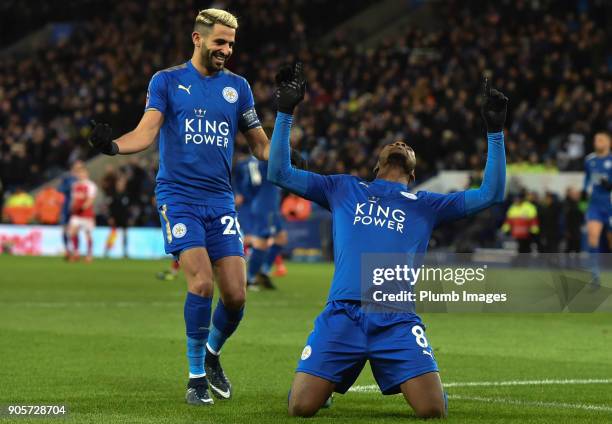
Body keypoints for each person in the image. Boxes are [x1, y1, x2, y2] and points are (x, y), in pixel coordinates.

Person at [268, 63, 507, 418]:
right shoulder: (343, 187)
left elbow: (491, 193)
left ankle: (336, 372)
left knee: (433, 410)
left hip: (395, 318)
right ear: (377, 167)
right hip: (343, 313)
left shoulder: (427, 205)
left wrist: (495, 132)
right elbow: (279, 173)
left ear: (412, 174)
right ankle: (330, 374)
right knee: (300, 407)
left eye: (406, 145)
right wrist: (285, 111)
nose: (399, 143)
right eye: (393, 143)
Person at [87, 9, 282, 405]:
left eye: (230, 43)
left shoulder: (238, 87)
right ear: (198, 38)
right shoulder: (167, 81)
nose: (226, 50)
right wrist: (112, 146)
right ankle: (195, 376)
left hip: (220, 201)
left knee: (236, 296)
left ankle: (212, 354)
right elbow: (147, 131)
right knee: (201, 283)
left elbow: (261, 145)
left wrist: (288, 134)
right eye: (219, 42)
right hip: (178, 198)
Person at [239, 155, 289, 290]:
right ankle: (249, 278)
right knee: (261, 241)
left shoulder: (253, 162)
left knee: (281, 238)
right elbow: (252, 184)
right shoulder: (265, 161)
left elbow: (249, 185)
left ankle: (263, 271)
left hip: (269, 203)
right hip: (266, 203)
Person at [583, 132, 612, 289]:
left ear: (609, 142)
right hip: (595, 205)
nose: (597, 142)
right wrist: (583, 191)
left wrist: (609, 184)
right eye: (595, 139)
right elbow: (587, 180)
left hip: (610, 205)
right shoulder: (589, 160)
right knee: (592, 238)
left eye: (601, 139)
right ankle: (595, 277)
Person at [67, 166, 97, 262]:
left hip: (87, 214)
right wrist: (72, 207)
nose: (81, 175)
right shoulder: (75, 185)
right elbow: (74, 199)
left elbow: (91, 199)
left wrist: (82, 207)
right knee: (72, 232)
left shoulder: (91, 185)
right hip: (76, 214)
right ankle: (76, 252)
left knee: (87, 234)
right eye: (79, 173)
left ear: (86, 174)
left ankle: (89, 254)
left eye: (82, 173)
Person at [58, 161, 83, 258]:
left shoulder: (82, 178)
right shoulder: (67, 178)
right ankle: (67, 250)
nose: (79, 168)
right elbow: (60, 189)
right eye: (78, 166)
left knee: (75, 230)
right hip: (66, 207)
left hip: (77, 208)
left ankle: (76, 251)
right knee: (65, 229)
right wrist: (69, 187)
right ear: (73, 167)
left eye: (81, 167)